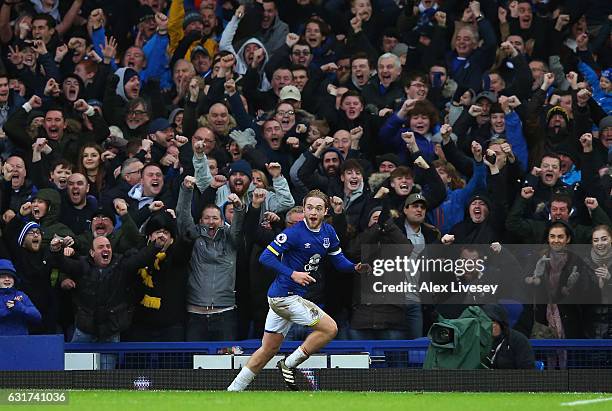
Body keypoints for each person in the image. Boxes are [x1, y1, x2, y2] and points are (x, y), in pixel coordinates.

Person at [227, 189, 370, 391]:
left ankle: (233, 390)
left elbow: (338, 261)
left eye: (318, 208)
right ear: (304, 210)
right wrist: (292, 273)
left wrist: (354, 267)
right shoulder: (293, 233)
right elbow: (265, 257)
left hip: (285, 298)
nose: (313, 212)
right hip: (284, 297)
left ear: (325, 212)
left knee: (268, 348)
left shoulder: (328, 233)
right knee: (330, 329)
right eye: (309, 207)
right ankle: (289, 364)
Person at [481, 304, 535, 369]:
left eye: (493, 321)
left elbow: (527, 369)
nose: (491, 325)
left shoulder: (518, 341)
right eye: (486, 322)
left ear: (501, 323)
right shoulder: (479, 340)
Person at [0, 259, 42, 335]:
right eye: (3, 277)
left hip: (21, 341)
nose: (7, 279)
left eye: (10, 276)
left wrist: (20, 308)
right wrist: (8, 309)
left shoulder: (21, 295)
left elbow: (37, 316)